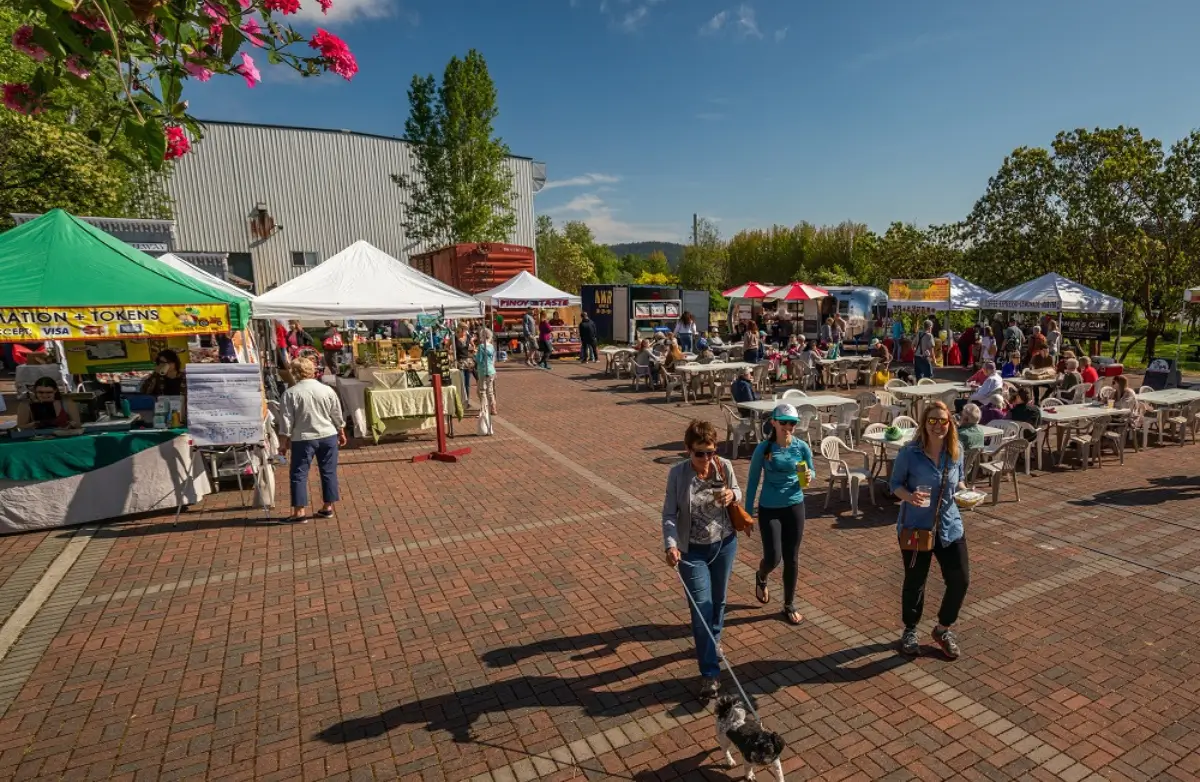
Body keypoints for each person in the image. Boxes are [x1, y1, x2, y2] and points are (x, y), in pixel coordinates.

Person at [662, 419, 742, 698]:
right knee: (701, 609)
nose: (706, 459)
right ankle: (709, 672)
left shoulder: (723, 466)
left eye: (710, 452)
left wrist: (733, 494)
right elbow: (670, 514)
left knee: (718, 601)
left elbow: (738, 492)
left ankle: (714, 641)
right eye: (700, 453)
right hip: (692, 550)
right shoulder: (678, 474)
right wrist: (671, 545)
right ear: (687, 450)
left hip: (725, 544)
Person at [889, 400, 970, 659]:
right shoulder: (909, 454)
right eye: (932, 420)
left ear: (950, 424)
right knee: (915, 582)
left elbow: (960, 482)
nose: (937, 426)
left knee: (960, 580)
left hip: (950, 526)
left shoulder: (956, 449)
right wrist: (910, 497)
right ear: (924, 423)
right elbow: (895, 484)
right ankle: (910, 630)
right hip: (917, 528)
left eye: (942, 421)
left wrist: (967, 493)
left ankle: (943, 629)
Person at [745, 403, 815, 626]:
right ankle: (762, 575)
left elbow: (809, 473)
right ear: (773, 422)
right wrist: (747, 514)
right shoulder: (764, 449)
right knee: (774, 557)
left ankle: (788, 604)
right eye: (783, 422)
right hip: (769, 507)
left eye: (792, 423)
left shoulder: (801, 447)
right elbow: (753, 481)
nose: (788, 427)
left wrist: (809, 475)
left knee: (792, 557)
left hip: (795, 505)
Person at [278, 357, 346, 523]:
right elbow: (336, 412)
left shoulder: (290, 394)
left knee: (299, 473)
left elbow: (286, 421)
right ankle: (327, 506)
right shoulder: (326, 390)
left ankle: (299, 511)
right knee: (328, 471)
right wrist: (341, 430)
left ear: (294, 373)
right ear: (312, 370)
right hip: (327, 434)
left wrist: (283, 442)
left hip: (303, 438)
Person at [475, 327, 498, 418]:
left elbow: (479, 359)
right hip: (491, 370)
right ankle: (493, 407)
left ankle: (484, 409)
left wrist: (475, 354)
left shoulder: (481, 346)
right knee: (490, 391)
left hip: (483, 370)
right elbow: (492, 358)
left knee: (482, 391)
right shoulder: (491, 346)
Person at [454, 325, 474, 405]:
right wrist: (451, 352)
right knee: (461, 382)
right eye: (464, 330)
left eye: (466, 330)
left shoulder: (468, 337)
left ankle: (467, 401)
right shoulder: (454, 338)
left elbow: (473, 345)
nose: (465, 331)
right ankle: (461, 400)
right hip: (459, 362)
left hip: (467, 362)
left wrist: (472, 350)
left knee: (467, 383)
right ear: (460, 329)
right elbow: (447, 347)